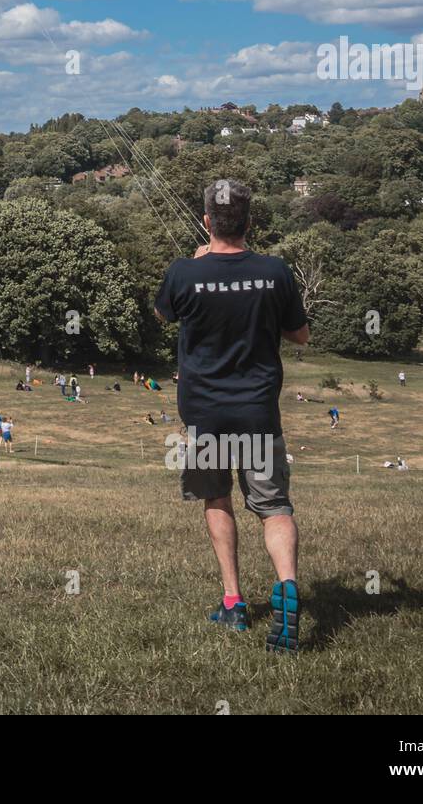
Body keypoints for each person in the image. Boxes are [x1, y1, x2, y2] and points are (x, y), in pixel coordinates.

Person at [153, 178, 308, 653]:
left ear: (206, 222)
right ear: (249, 222)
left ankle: (234, 603)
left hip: (204, 413)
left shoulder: (183, 272)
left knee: (216, 499)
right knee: (274, 506)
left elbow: (163, 316)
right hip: (258, 411)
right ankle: (286, 586)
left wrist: (197, 266)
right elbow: (300, 336)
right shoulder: (275, 271)